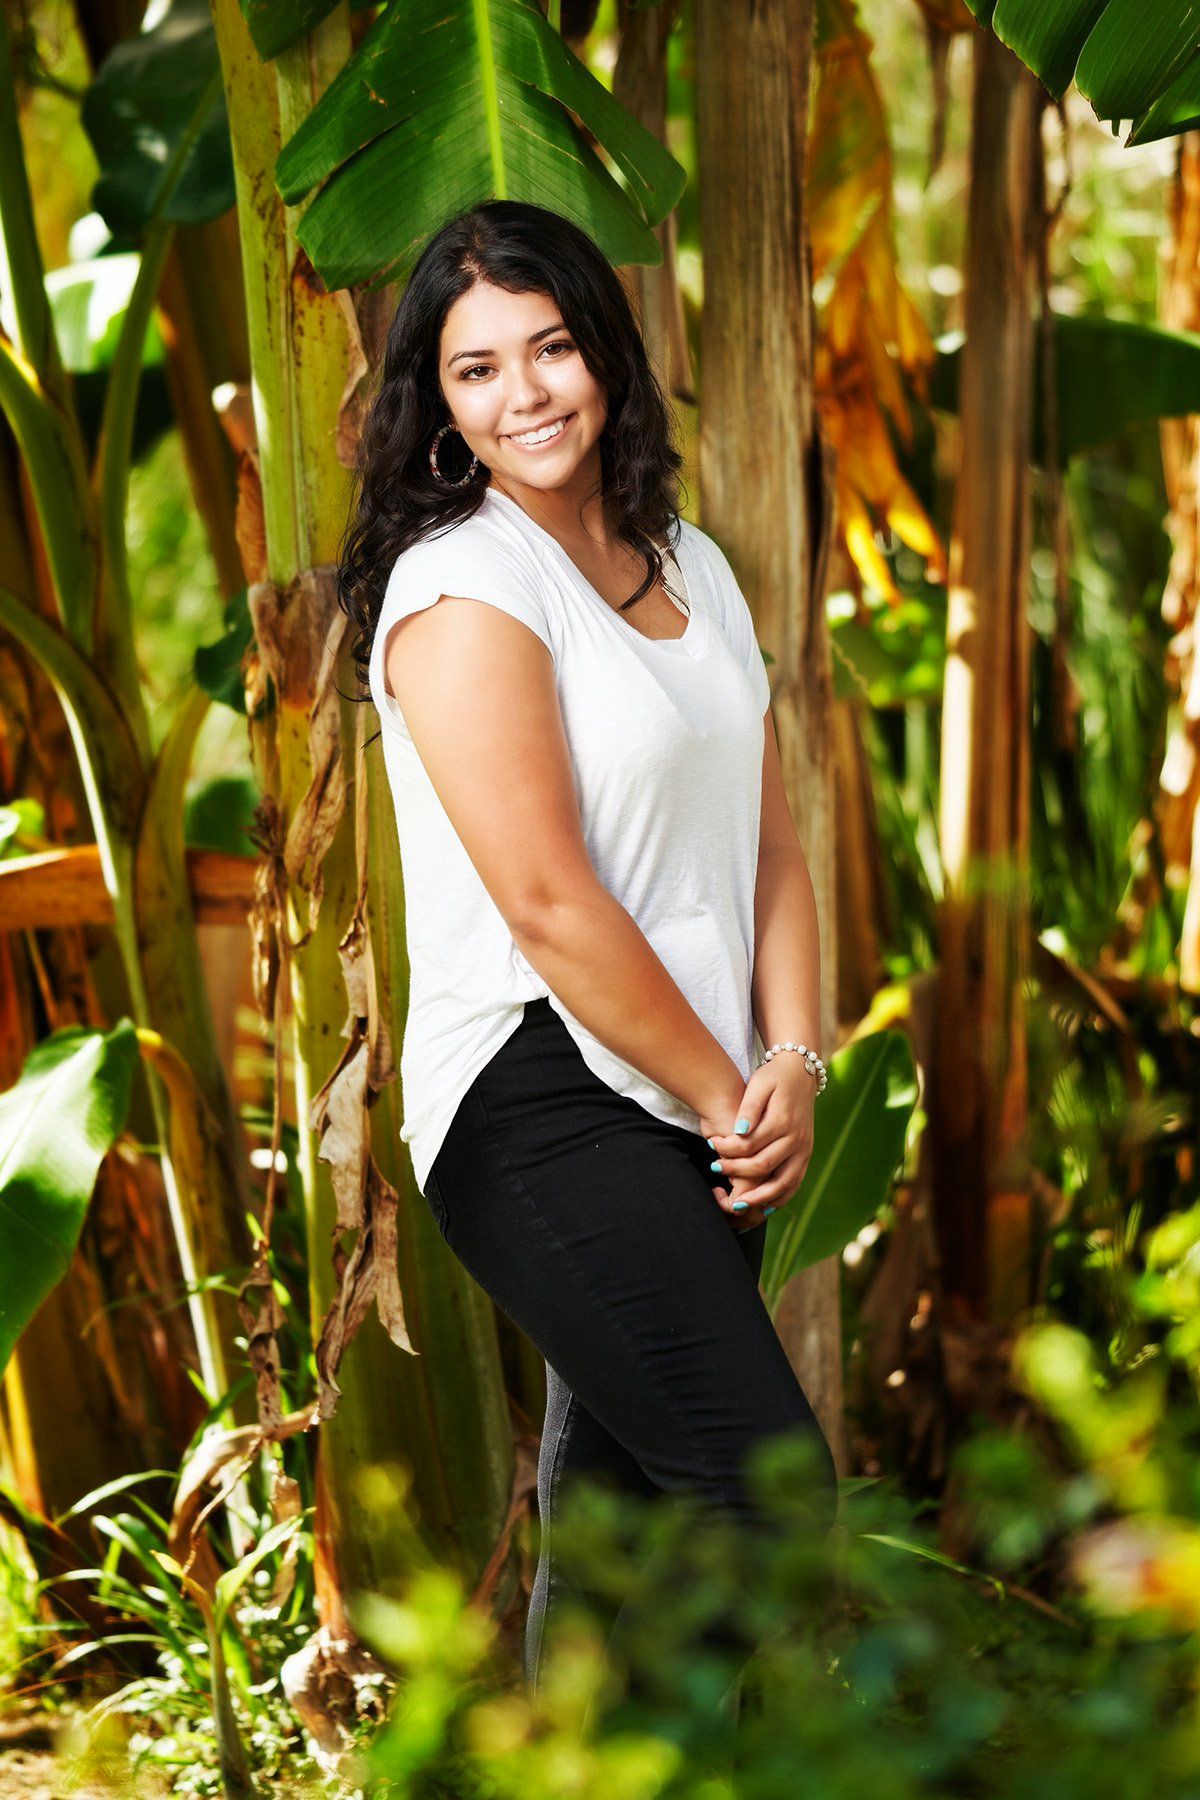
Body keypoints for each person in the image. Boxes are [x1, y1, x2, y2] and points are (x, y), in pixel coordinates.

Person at [337, 198, 837, 1698]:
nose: (525, 392)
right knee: (764, 1493)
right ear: (441, 405)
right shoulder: (461, 592)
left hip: (696, 1089)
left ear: (604, 358)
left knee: (614, 1541)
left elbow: (774, 842)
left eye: (549, 347)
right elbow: (552, 905)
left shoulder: (692, 564)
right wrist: (717, 1090)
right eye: (477, 368)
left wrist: (793, 1061)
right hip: (539, 1092)